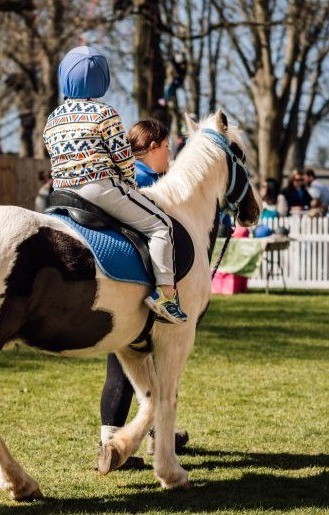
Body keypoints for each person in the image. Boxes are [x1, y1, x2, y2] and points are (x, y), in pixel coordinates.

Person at [43, 46, 186, 324]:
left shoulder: (53, 118)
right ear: (102, 79)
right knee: (160, 225)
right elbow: (123, 160)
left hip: (61, 192)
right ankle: (166, 296)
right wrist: (130, 186)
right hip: (98, 188)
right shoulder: (104, 113)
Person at [98, 118, 189, 469]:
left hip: (120, 280)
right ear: (152, 148)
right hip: (139, 289)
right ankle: (116, 441)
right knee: (129, 367)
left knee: (129, 367)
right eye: (166, 148)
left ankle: (152, 434)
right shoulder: (149, 184)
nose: (169, 155)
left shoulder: (120, 177)